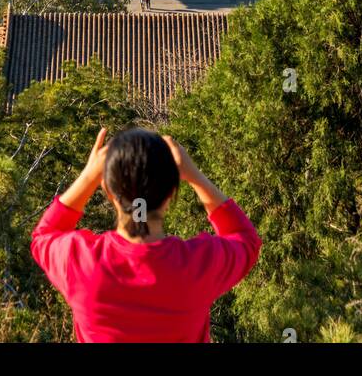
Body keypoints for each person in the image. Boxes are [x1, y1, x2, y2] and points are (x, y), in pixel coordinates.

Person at [31, 128, 261, 344]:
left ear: (108, 191)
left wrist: (88, 177)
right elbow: (245, 238)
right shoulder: (197, 265)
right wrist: (195, 176)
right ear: (171, 192)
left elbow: (45, 234)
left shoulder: (81, 263)